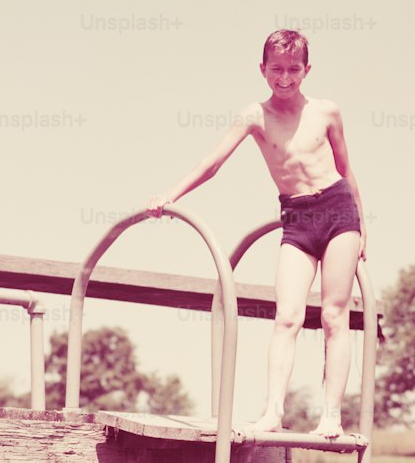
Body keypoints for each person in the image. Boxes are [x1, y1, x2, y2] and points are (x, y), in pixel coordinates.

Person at [148, 28, 366, 437]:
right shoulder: (254, 117)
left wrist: (363, 229)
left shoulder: (326, 112)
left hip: (339, 213)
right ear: (262, 69)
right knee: (287, 316)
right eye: (277, 70)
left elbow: (346, 170)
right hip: (297, 220)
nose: (285, 78)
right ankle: (272, 411)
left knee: (336, 316)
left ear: (308, 70)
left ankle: (331, 416)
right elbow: (213, 163)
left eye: (294, 70)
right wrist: (170, 196)